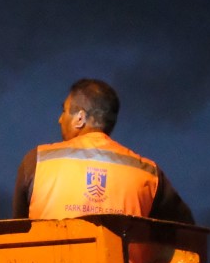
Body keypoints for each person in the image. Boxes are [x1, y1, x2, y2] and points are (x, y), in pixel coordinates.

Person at [12, 79, 194, 224]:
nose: (60, 119)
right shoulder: (148, 173)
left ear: (80, 118)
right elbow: (187, 232)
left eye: (64, 111)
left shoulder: (38, 162)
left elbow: (17, 235)